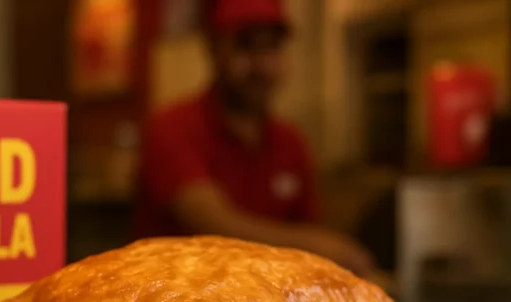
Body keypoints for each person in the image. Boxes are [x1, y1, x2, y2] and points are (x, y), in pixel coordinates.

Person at [133, 0, 374, 276]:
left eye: (271, 47)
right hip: (174, 299)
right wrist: (323, 246)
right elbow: (215, 224)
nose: (261, 64)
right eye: (245, 45)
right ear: (212, 48)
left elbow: (306, 229)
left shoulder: (291, 143)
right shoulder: (172, 128)